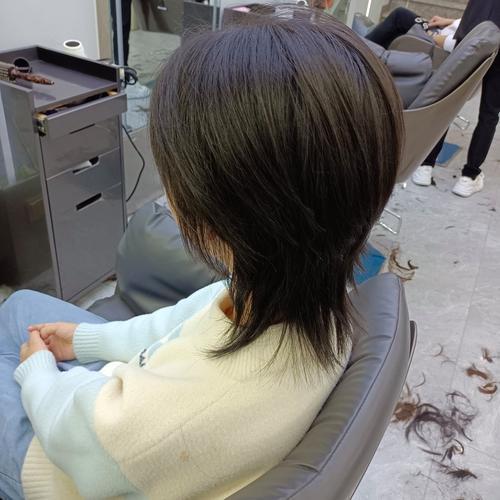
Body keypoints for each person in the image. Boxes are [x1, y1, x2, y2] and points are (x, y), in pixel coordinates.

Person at [0, 12, 403, 500]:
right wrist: (85, 341)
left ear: (222, 220)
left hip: (60, 469)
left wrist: (37, 372)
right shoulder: (293, 295)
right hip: (128, 417)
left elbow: (80, 438)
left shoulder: (184, 414)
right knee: (20, 307)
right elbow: (176, 326)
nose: (170, 198)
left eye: (175, 180)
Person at [413, 0, 500, 196]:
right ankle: (469, 177)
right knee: (489, 113)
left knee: (449, 101)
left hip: (473, 33)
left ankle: (425, 165)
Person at [366, 6, 461, 52]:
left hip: (441, 40)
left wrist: (432, 36)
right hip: (443, 32)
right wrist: (453, 22)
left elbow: (456, 44)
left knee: (400, 16)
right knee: (400, 20)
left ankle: (360, 52)